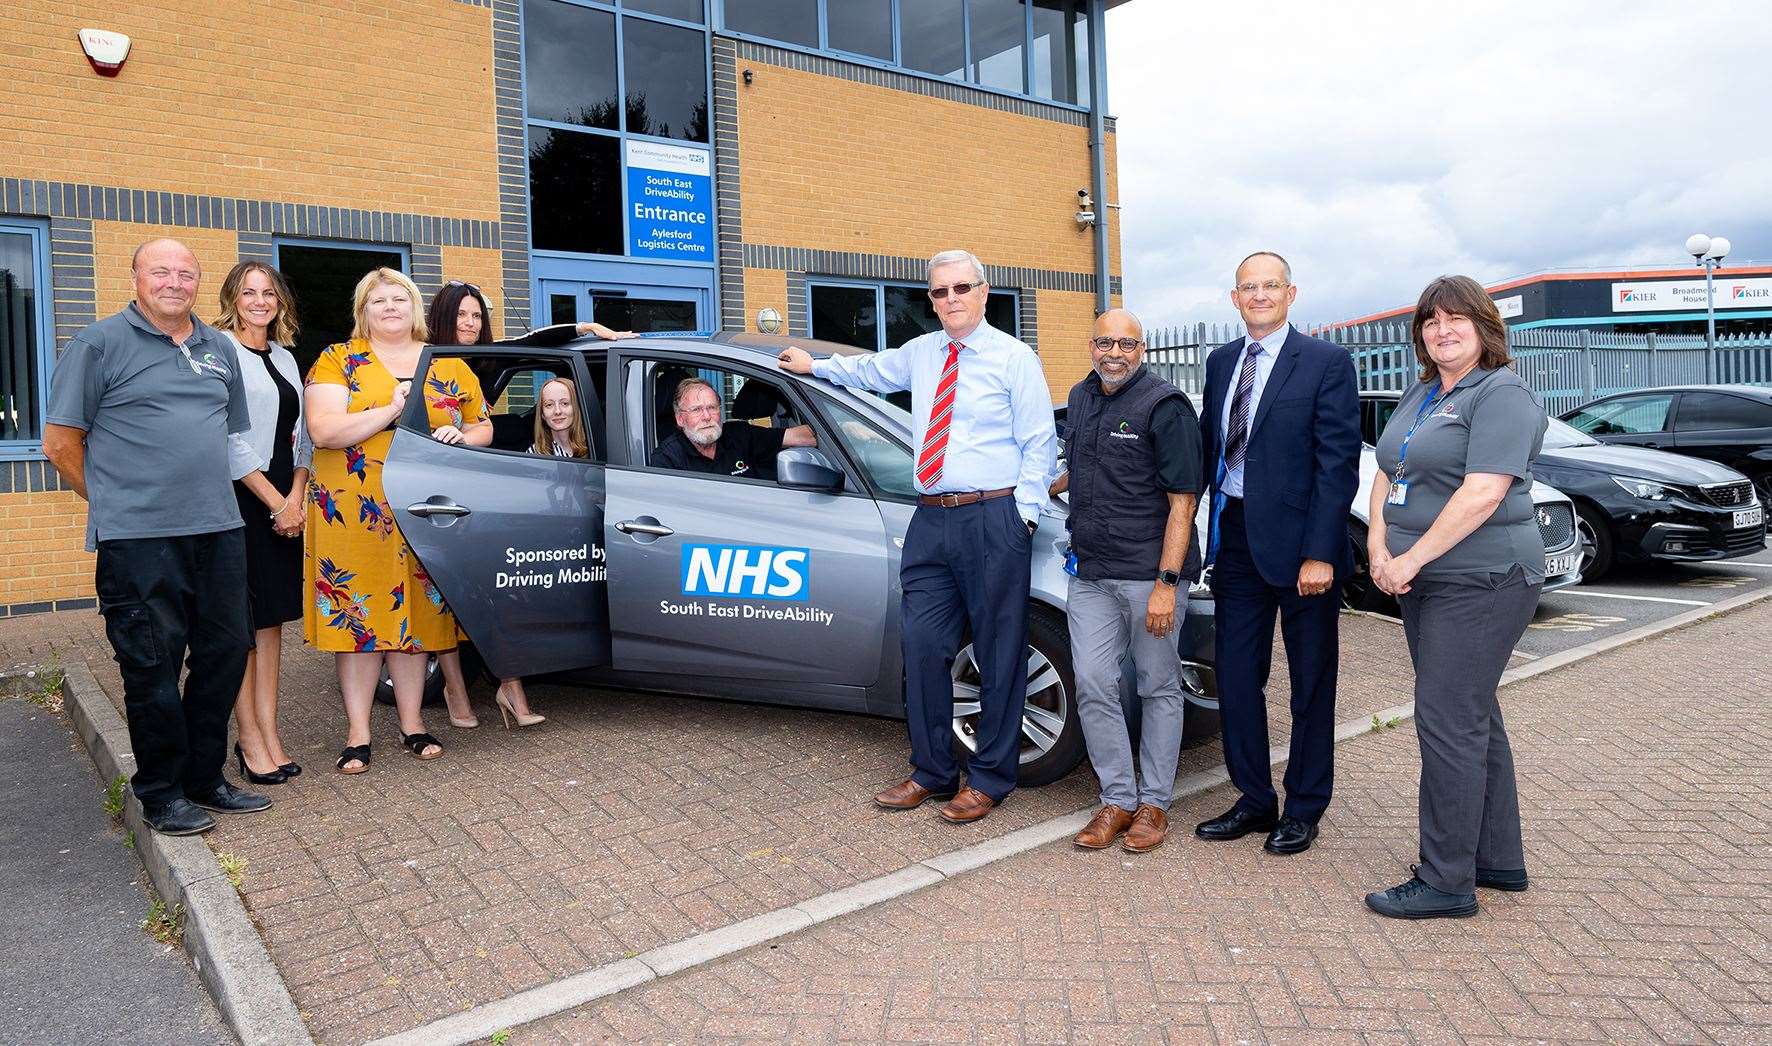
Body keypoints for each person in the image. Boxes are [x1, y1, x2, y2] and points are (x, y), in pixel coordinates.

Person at [778, 248, 1056, 824]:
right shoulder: (923, 353)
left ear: (983, 293)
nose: (950, 299)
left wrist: (1021, 517)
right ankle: (932, 771)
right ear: (930, 300)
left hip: (991, 517)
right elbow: (868, 371)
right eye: (939, 292)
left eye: (961, 289)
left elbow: (1040, 445)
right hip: (930, 519)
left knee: (999, 652)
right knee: (924, 648)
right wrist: (813, 365)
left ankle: (989, 778)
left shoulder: (1013, 358)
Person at [42, 238, 270, 835]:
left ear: (199, 283)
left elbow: (226, 439)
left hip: (220, 529)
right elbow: (60, 445)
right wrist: (117, 503)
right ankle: (161, 792)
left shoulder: (218, 347)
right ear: (136, 277)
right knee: (153, 664)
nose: (174, 282)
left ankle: (204, 778)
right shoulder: (98, 345)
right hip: (139, 540)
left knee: (224, 653)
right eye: (160, 271)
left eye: (186, 273)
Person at [1364, 276, 1547, 919]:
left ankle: (1446, 881)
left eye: (1456, 320)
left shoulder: (1502, 393)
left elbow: (1483, 492)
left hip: (1483, 581)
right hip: (1424, 577)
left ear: (1484, 327)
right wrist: (1378, 550)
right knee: (1473, 717)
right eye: (1430, 321)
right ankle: (1496, 859)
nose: (1442, 331)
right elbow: (1389, 470)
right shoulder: (1421, 392)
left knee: (1446, 722)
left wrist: (1409, 557)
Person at [1195, 251, 1359, 855]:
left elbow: (1336, 464)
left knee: (1311, 681)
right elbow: (1212, 447)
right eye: (1248, 287)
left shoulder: (1326, 363)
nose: (1259, 295)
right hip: (1235, 538)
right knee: (1237, 677)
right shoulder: (1219, 362)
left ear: (1291, 294)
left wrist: (1320, 553)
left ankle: (1305, 805)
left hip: (1302, 550)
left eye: (1270, 286)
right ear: (1234, 298)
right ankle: (1255, 799)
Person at [304, 268, 491, 772]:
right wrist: (388, 412)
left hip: (426, 510)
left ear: (414, 309)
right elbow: (323, 430)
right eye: (378, 300)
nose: (390, 308)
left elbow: (484, 426)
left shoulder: (447, 363)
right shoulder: (338, 361)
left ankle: (413, 724)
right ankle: (358, 733)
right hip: (354, 515)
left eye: (399, 299)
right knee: (361, 621)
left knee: (415, 618)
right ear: (362, 311)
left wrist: (463, 438)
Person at [423, 280, 628, 728]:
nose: (470, 324)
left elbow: (531, 340)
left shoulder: (485, 359)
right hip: (433, 480)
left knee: (487, 593)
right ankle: (458, 690)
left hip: (475, 478)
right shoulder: (423, 362)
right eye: (461, 315)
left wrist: (588, 327)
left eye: (477, 316)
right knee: (442, 599)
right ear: (441, 316)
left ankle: (508, 686)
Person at [1053, 309, 1202, 853]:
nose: (1113, 353)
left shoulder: (1165, 406)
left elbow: (1183, 501)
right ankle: (1116, 798)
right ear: (1090, 345)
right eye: (1104, 342)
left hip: (1148, 575)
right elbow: (1087, 462)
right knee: (1093, 684)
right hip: (1091, 573)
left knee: (1156, 684)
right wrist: (1047, 489)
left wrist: (1167, 583)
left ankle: (1154, 805)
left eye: (1126, 344)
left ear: (1143, 351)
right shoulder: (1082, 395)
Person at [215, 261, 311, 784]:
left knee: (270, 622)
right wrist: (277, 503)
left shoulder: (285, 357)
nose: (259, 301)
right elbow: (227, 437)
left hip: (285, 498)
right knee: (241, 624)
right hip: (240, 499)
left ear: (280, 301)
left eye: (268, 292)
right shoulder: (220, 350)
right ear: (233, 297)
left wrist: (295, 495)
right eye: (249, 292)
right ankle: (248, 738)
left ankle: (271, 732)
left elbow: (302, 436)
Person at [650, 376, 817, 477]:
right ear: (680, 419)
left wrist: (841, 427)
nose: (707, 416)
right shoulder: (667, 459)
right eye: (697, 410)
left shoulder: (740, 434)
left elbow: (803, 436)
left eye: (712, 407)